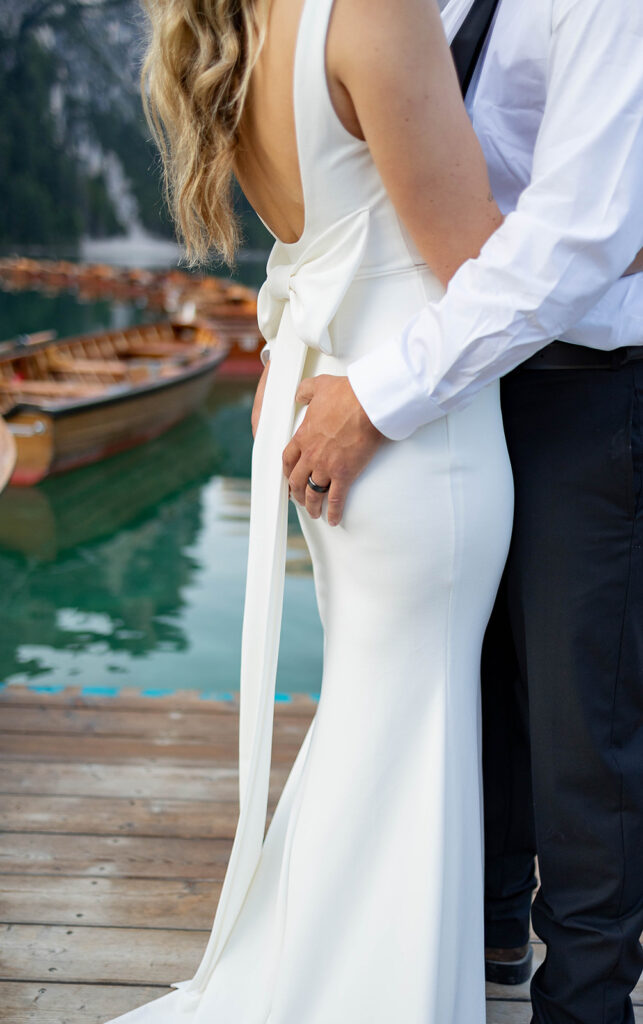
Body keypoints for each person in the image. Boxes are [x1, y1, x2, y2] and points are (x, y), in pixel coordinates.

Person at [104, 0, 516, 1021]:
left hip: (326, 395)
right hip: (412, 429)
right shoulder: (374, 9)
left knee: (379, 725)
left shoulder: (249, 21)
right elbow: (482, 270)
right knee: (409, 733)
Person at [281, 0, 643, 1021]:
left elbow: (576, 237)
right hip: (463, 395)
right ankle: (479, 978)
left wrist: (381, 393)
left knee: (584, 745)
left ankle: (586, 1006)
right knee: (469, 709)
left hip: (584, 392)